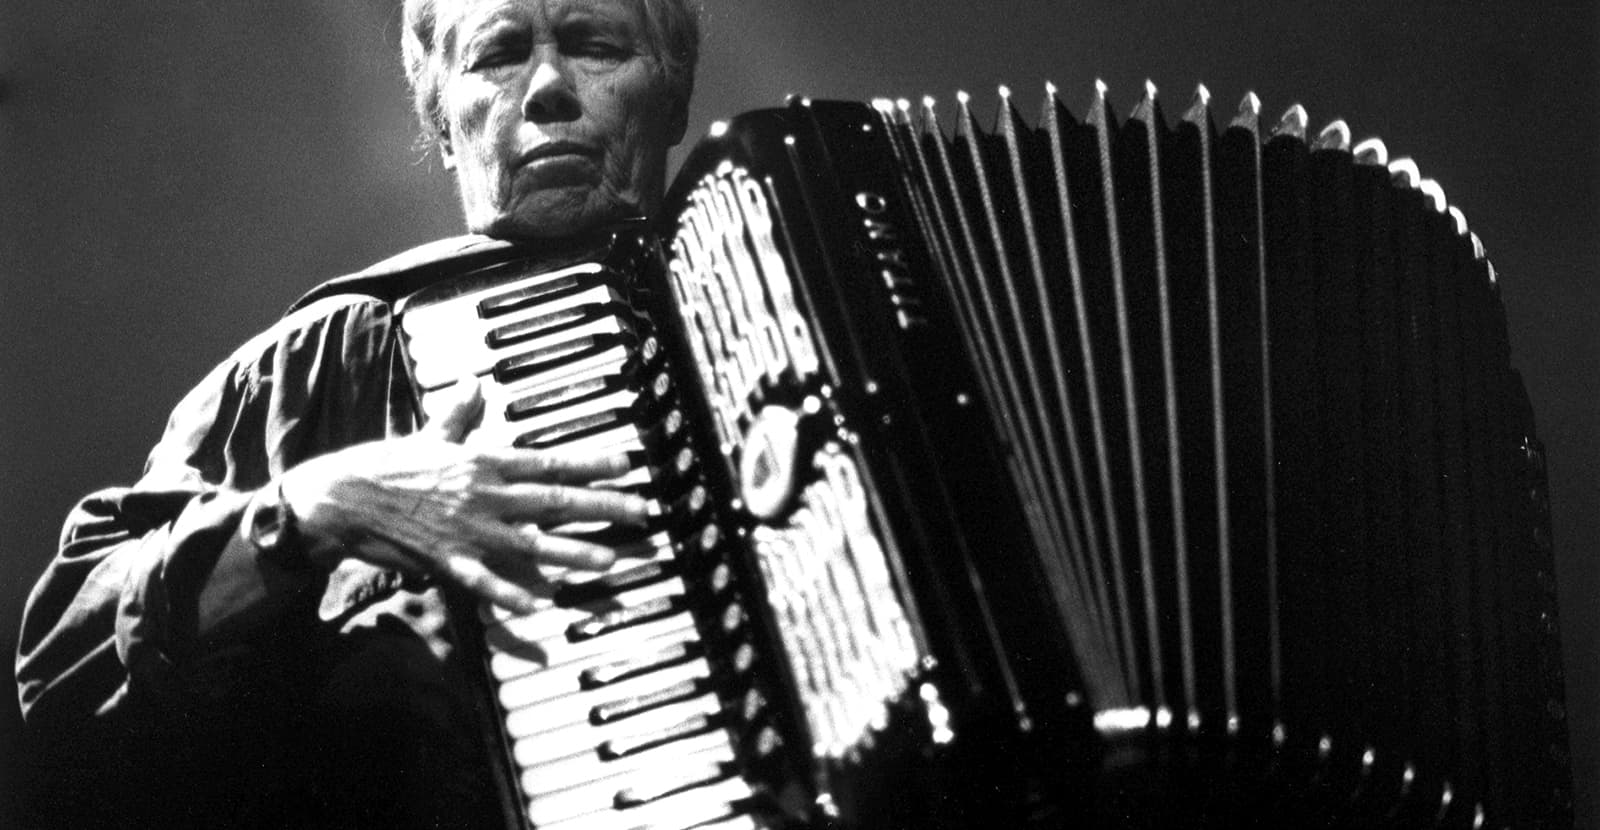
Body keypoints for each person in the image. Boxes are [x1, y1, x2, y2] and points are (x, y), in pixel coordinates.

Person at [14, 0, 700, 825]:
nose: (548, 86)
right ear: (443, 124)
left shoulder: (784, 293)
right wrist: (314, 508)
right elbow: (62, 676)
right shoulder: (331, 357)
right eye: (499, 54)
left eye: (593, 44)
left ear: (673, 93)